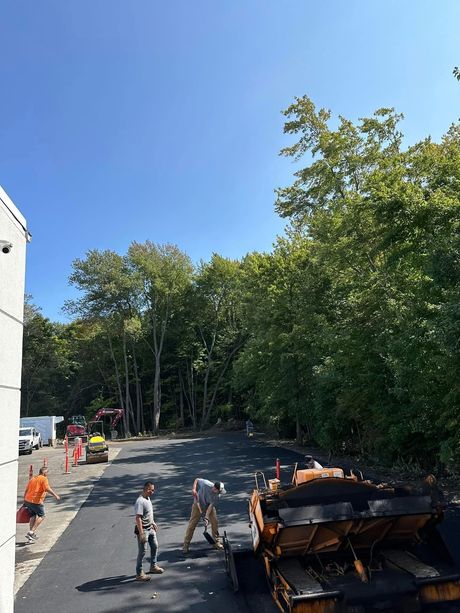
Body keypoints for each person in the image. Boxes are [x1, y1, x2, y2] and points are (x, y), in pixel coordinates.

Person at [183, 478, 226, 554]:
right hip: (197, 505)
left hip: (208, 506)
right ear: (214, 488)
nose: (219, 493)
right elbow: (197, 479)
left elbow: (211, 506)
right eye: (218, 491)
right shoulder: (206, 484)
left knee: (215, 522)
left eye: (220, 492)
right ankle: (186, 545)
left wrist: (206, 517)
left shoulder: (217, 495)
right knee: (192, 525)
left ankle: (216, 543)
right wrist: (194, 489)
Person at [134, 481, 164, 581]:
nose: (153, 492)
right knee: (142, 552)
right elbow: (138, 518)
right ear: (147, 489)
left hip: (150, 528)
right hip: (144, 530)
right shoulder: (140, 501)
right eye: (152, 490)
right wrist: (141, 533)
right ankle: (139, 573)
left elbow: (149, 513)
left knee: (155, 546)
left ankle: (153, 566)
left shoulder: (148, 498)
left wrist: (153, 522)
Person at [23, 466, 60, 543]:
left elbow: (26, 490)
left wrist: (25, 500)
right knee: (42, 515)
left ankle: (30, 537)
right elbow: (47, 488)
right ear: (44, 473)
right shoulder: (44, 478)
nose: (47, 474)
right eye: (47, 473)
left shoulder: (33, 478)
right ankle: (31, 532)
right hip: (36, 501)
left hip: (28, 500)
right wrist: (55, 495)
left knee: (33, 516)